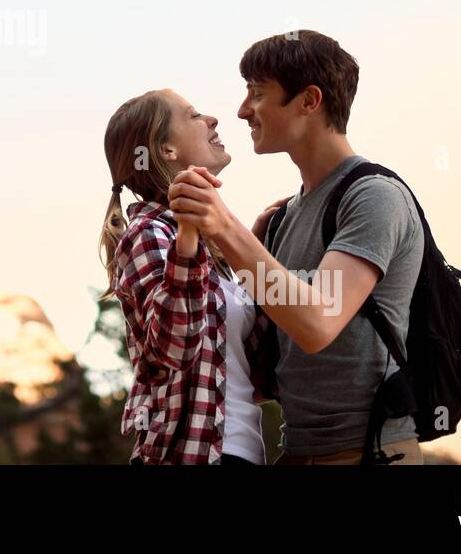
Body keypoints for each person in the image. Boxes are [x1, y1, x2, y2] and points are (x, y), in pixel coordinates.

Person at [169, 30, 425, 465]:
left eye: (257, 93)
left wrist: (227, 229)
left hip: (369, 453)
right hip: (297, 451)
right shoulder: (281, 219)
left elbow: (316, 324)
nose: (242, 110)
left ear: (309, 100)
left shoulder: (374, 197)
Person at [98, 88, 281, 465]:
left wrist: (251, 246)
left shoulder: (212, 248)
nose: (212, 120)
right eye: (194, 115)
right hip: (192, 454)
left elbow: (254, 367)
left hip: (241, 453)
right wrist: (188, 239)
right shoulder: (150, 234)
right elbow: (173, 349)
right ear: (166, 150)